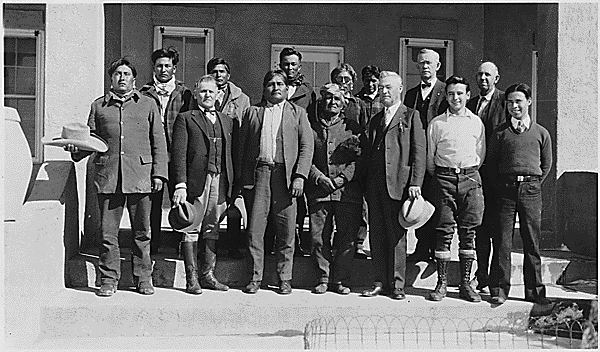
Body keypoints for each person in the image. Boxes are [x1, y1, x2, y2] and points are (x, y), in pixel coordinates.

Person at [67, 57, 168, 297]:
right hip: (108, 176)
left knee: (142, 233)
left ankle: (143, 278)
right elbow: (90, 140)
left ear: (134, 79)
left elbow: (159, 142)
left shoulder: (148, 104)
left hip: (140, 176)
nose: (121, 78)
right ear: (111, 78)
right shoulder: (99, 106)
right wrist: (76, 149)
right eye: (117, 74)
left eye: (126, 74)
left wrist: (159, 174)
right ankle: (109, 279)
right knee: (107, 234)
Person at [237, 70, 314, 295]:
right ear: (264, 88)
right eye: (271, 84)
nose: (276, 87)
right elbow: (242, 148)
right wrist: (243, 181)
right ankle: (254, 278)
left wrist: (300, 176)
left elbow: (306, 147)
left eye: (280, 84)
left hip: (286, 177)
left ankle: (284, 278)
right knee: (254, 230)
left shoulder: (298, 114)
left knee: (286, 229)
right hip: (259, 174)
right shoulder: (252, 112)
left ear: (287, 88)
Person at [361, 71, 426, 300]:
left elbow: (419, 152)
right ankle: (380, 280)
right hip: (376, 185)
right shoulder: (376, 119)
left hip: (399, 184)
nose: (384, 91)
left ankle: (398, 284)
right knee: (377, 234)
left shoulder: (411, 116)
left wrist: (415, 182)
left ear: (399, 89)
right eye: (381, 87)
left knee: (397, 235)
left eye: (388, 87)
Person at [487, 83, 552, 305]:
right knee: (503, 241)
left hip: (531, 190)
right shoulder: (500, 133)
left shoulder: (541, 133)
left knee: (531, 242)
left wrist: (530, 183)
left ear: (528, 102)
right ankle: (499, 289)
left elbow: (546, 164)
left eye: (518, 101)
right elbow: (492, 164)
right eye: (510, 102)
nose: (514, 106)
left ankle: (534, 291)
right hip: (505, 190)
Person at [171, 75, 234, 294]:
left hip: (220, 180)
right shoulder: (186, 118)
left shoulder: (227, 121)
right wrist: (180, 184)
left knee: (213, 225)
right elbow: (178, 154)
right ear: (196, 94)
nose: (207, 95)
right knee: (191, 226)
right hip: (196, 181)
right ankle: (192, 278)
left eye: (211, 91)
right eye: (203, 91)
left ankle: (208, 275)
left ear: (218, 95)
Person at [426, 76, 485, 303]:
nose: (455, 98)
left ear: (468, 95)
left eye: (460, 93)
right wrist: (445, 176)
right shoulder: (438, 123)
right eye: (451, 94)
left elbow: (480, 155)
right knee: (443, 231)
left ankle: (465, 285)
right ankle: (441, 284)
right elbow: (431, 158)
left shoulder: (476, 122)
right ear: (447, 96)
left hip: (470, 178)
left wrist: (466, 174)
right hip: (444, 179)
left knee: (468, 233)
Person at [306, 83, 367, 295]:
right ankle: (322, 277)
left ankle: (340, 279)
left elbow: (360, 159)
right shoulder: (311, 127)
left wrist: (342, 178)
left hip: (347, 193)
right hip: (319, 191)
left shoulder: (353, 128)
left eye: (337, 99)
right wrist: (318, 177)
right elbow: (305, 156)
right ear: (321, 101)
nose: (332, 102)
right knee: (318, 237)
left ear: (343, 105)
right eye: (328, 98)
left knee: (346, 237)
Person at [140, 47, 193, 255]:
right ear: (154, 68)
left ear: (174, 68)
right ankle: (152, 246)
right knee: (151, 204)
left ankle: (183, 247)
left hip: (178, 156)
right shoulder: (144, 94)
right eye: (159, 66)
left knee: (180, 201)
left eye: (167, 66)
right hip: (153, 157)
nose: (163, 69)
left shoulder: (184, 93)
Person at [404, 48, 449, 262]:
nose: (425, 67)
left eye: (429, 63)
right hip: (415, 155)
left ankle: (435, 249)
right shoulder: (411, 94)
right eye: (421, 63)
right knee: (417, 200)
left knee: (436, 203)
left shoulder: (446, 91)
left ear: (438, 66)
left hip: (437, 155)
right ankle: (421, 248)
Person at [465, 61, 507, 294]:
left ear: (496, 78)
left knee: (497, 230)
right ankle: (481, 276)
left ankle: (496, 280)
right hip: (474, 177)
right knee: (479, 228)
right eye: (480, 74)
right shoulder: (471, 104)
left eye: (487, 75)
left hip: (497, 178)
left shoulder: (503, 101)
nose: (483, 78)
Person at [206, 57, 251, 260]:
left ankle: (233, 244)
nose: (218, 75)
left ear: (228, 75)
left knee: (233, 200)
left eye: (222, 71)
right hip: (210, 154)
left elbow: (245, 127)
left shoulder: (241, 99)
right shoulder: (203, 94)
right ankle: (205, 246)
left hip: (232, 155)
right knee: (209, 202)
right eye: (214, 71)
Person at [276, 47, 317, 256]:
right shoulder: (274, 85)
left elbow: (313, 122)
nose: (289, 67)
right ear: (279, 64)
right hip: (278, 151)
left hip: (299, 149)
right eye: (286, 63)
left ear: (299, 66)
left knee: (299, 199)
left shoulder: (308, 91)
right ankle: (275, 240)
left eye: (293, 64)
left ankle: (299, 241)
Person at [331, 63, 369, 130]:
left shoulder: (359, 104)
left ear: (352, 83)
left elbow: (365, 128)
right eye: (339, 79)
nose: (343, 82)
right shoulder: (326, 102)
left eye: (346, 79)